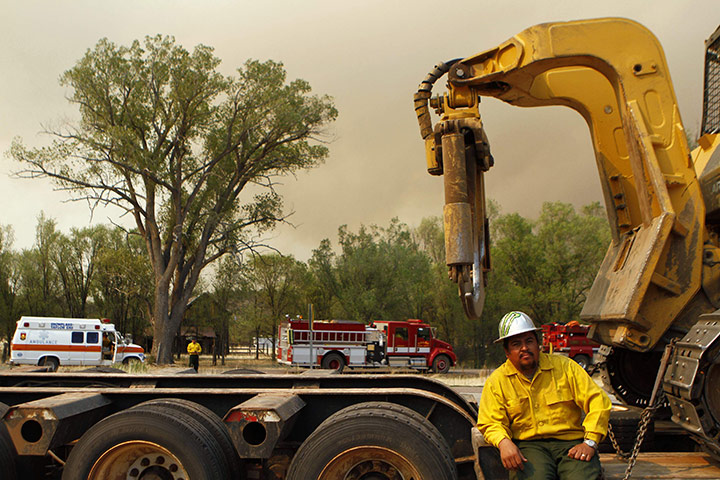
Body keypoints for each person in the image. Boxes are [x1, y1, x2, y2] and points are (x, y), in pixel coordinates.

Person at [477, 311, 611, 480]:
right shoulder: (497, 381)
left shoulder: (565, 368)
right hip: (529, 446)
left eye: (529, 341)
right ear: (507, 351)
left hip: (571, 442)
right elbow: (490, 422)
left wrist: (590, 442)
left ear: (538, 344)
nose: (524, 348)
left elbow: (598, 402)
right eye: (516, 344)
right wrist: (504, 443)